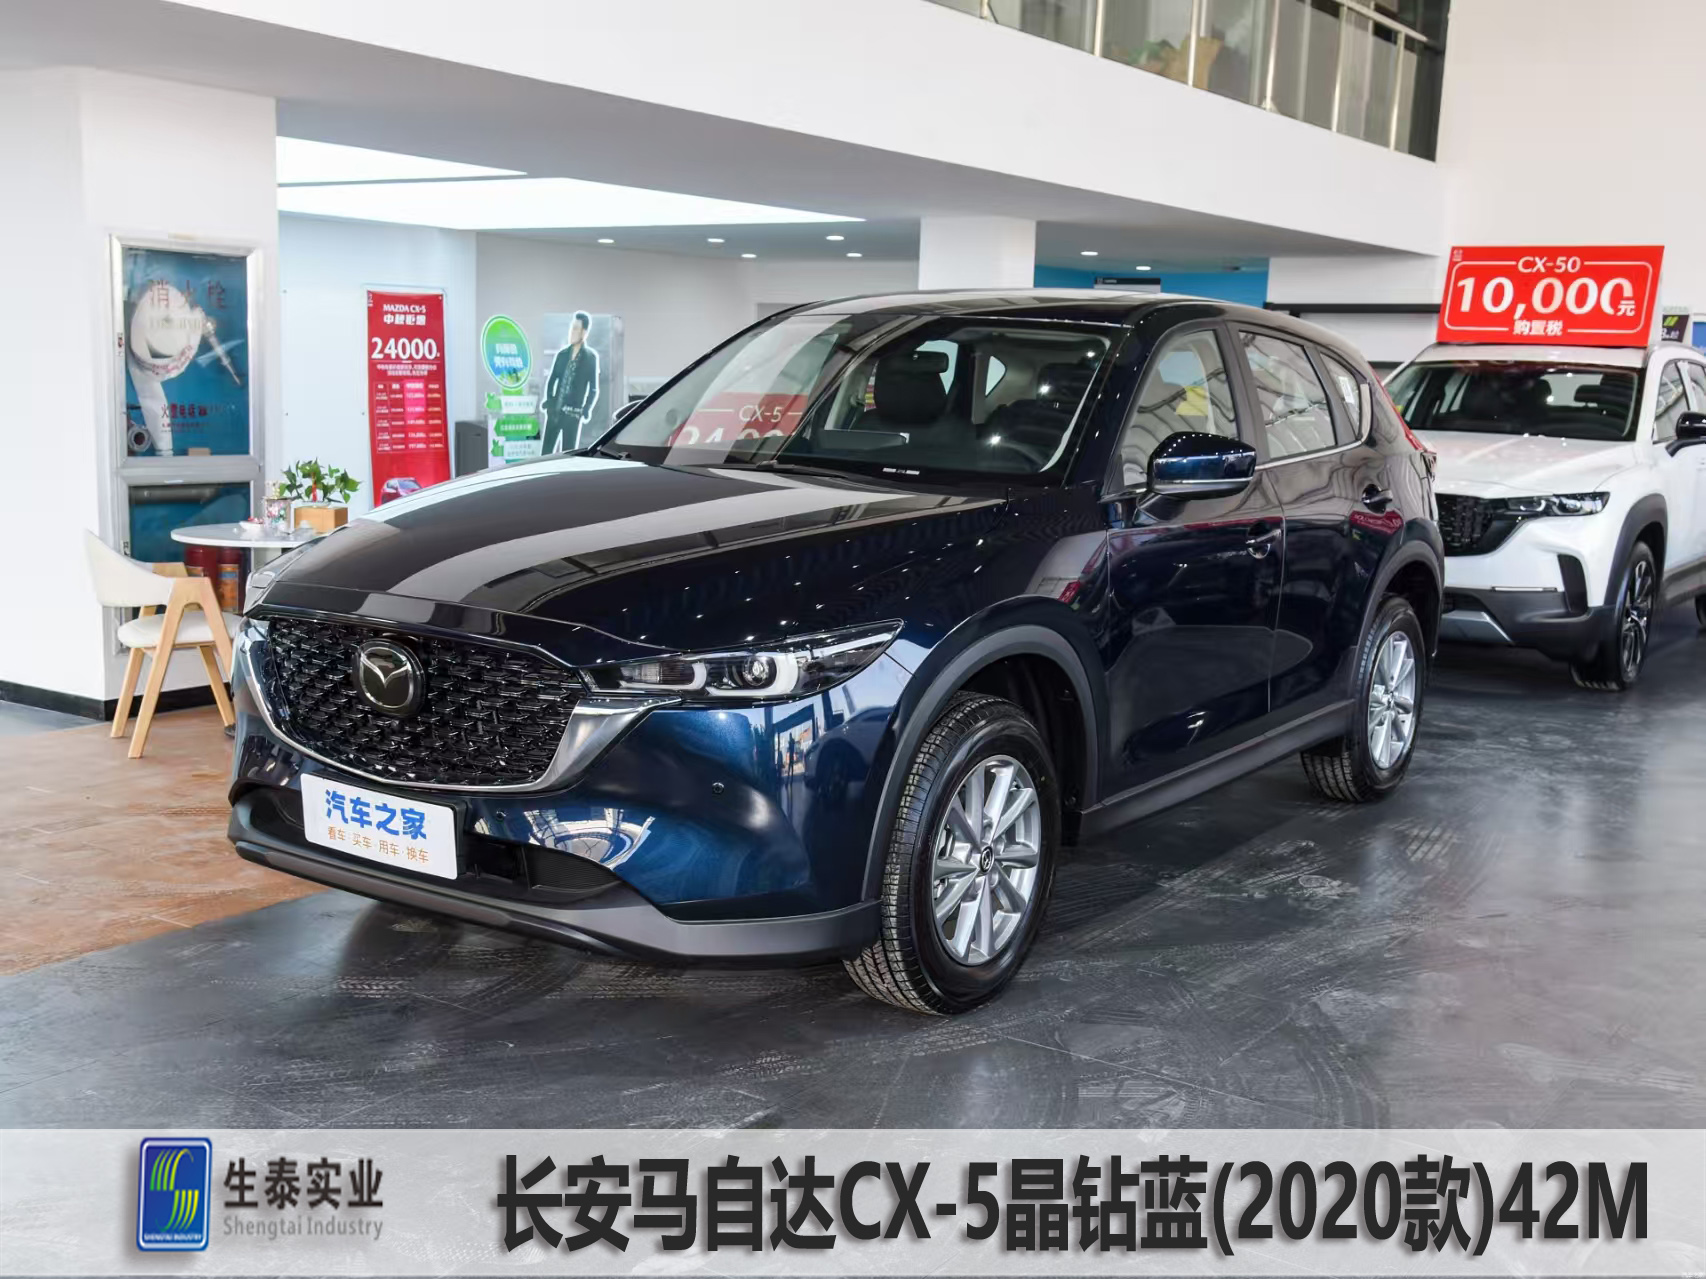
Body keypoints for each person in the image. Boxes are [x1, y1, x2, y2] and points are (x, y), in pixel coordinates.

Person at [542, 311, 599, 453]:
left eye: (575, 329)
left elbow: (593, 389)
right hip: (554, 412)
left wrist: (586, 409)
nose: (571, 332)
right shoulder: (562, 355)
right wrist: (550, 402)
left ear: (584, 332)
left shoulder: (590, 358)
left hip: (573, 415)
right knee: (545, 453)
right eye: (571, 328)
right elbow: (552, 381)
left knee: (568, 454)